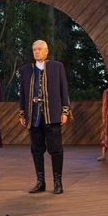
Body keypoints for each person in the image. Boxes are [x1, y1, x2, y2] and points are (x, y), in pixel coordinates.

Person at [18, 40, 71, 194]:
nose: (36, 51)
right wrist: (22, 113)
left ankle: (58, 183)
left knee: (56, 149)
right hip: (33, 115)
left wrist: (65, 111)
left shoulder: (57, 67)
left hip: (52, 114)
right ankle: (40, 182)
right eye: (34, 49)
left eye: (39, 49)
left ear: (46, 51)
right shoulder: (25, 70)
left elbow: (64, 90)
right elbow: (22, 94)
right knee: (36, 150)